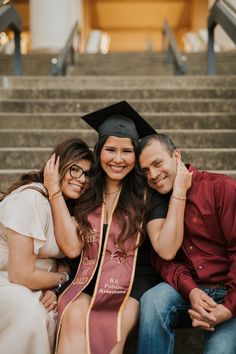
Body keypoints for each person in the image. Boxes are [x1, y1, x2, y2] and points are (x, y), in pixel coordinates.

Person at [45, 100, 192, 354]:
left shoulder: (147, 194)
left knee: (111, 335)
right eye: (110, 150)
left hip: (133, 283)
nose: (118, 159)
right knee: (71, 319)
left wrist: (179, 191)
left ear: (136, 156)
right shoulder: (87, 189)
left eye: (127, 151)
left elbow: (167, 250)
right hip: (86, 278)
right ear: (99, 150)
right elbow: (71, 248)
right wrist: (54, 192)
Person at [137, 133, 236, 354]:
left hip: (231, 294)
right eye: (145, 171)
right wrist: (191, 291)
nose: (153, 175)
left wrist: (228, 309)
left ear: (176, 155)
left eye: (157, 163)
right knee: (153, 301)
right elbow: (163, 260)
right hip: (190, 290)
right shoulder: (156, 202)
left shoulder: (221, 188)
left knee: (220, 350)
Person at [0, 138, 94, 354]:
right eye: (74, 169)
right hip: (7, 279)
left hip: (33, 283)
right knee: (33, 315)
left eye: (88, 174)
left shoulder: (68, 208)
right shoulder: (31, 199)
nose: (81, 179)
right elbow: (21, 274)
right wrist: (60, 281)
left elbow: (68, 255)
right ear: (56, 167)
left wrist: (55, 286)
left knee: (63, 313)